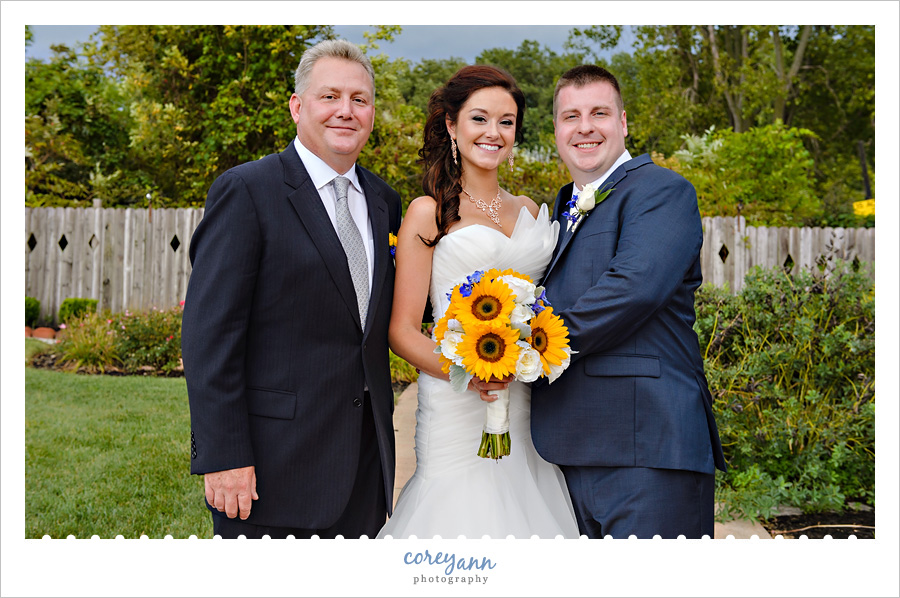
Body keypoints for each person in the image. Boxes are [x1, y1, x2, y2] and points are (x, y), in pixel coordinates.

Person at [181, 39, 401, 539]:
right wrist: (225, 455)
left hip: (365, 467)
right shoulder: (247, 191)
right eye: (330, 97)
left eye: (360, 100)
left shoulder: (387, 201)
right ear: (297, 107)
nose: (346, 111)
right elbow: (208, 336)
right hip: (269, 467)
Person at [377, 65, 578, 539]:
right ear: (451, 125)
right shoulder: (429, 212)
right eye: (480, 119)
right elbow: (402, 330)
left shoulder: (529, 209)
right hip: (455, 401)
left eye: (506, 122)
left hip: (525, 400)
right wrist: (471, 374)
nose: (494, 133)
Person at [530, 65, 727, 539]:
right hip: (571, 448)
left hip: (647, 446)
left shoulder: (662, 191)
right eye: (570, 116)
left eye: (599, 113)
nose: (584, 127)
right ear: (556, 129)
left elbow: (633, 289)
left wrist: (526, 346)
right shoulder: (561, 206)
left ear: (623, 122)